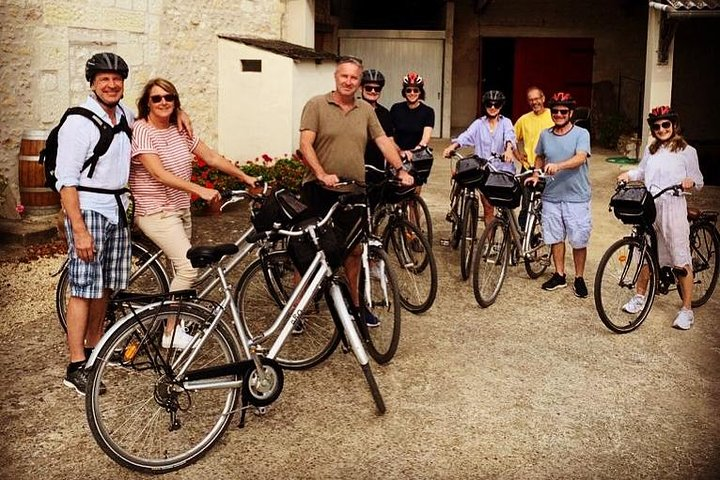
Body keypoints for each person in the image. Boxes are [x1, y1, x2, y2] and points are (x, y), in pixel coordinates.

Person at [129, 77, 256, 348]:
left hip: (179, 209)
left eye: (169, 97)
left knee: (178, 268)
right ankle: (170, 332)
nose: (163, 102)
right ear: (147, 103)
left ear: (176, 102)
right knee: (188, 268)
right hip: (156, 212)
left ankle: (174, 316)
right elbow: (158, 173)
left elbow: (210, 157)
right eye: (157, 98)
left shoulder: (180, 129)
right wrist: (200, 189)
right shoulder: (141, 129)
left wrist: (244, 176)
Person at [299, 55, 413, 326]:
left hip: (353, 190)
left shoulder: (365, 110)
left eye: (354, 77)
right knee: (307, 252)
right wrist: (321, 174)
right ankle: (298, 310)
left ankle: (356, 307)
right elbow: (305, 144)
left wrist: (400, 169)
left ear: (359, 82)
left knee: (354, 251)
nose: (349, 81)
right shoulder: (316, 104)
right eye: (344, 76)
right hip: (319, 189)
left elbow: (383, 140)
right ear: (336, 78)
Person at [54, 53, 133, 395]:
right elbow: (66, 180)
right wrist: (80, 229)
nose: (112, 84)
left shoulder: (126, 115)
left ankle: (95, 346)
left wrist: (183, 114)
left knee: (105, 286)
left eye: (117, 78)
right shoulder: (78, 122)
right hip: (89, 209)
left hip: (118, 207)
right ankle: (75, 365)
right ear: (92, 83)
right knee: (83, 288)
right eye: (104, 79)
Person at [617, 106, 704, 329]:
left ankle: (686, 310)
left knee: (679, 257)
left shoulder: (687, 151)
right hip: (650, 205)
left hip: (673, 206)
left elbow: (698, 180)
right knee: (645, 252)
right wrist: (628, 174)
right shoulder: (651, 149)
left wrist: (689, 182)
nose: (661, 129)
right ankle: (640, 296)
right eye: (657, 126)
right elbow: (641, 172)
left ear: (674, 125)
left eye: (666, 125)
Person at [528, 92, 592, 298]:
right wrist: (536, 174)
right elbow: (540, 156)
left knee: (579, 239)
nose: (558, 114)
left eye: (563, 111)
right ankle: (559, 274)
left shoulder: (581, 134)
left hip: (577, 197)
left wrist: (559, 166)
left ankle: (579, 278)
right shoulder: (545, 134)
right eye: (555, 111)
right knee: (555, 237)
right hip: (551, 196)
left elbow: (581, 158)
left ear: (570, 113)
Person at [443, 90, 518, 227]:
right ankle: (488, 244)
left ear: (501, 106)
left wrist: (508, 150)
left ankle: (510, 236)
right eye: (489, 104)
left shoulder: (506, 122)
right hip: (484, 170)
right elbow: (466, 136)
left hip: (502, 170)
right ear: (485, 106)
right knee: (488, 208)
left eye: (497, 104)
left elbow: (510, 137)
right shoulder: (479, 124)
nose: (493, 107)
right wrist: (452, 146)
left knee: (507, 207)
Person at [514, 86, 553, 227]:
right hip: (529, 168)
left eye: (537, 99)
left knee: (547, 207)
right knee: (526, 206)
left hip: (548, 169)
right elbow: (511, 138)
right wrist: (517, 154)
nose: (534, 102)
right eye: (531, 100)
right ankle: (524, 240)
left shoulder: (553, 116)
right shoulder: (524, 120)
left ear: (543, 99)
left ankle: (544, 237)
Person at [390, 71, 435, 156]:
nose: (412, 93)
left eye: (415, 90)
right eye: (409, 90)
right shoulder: (396, 108)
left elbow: (425, 138)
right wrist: (400, 152)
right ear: (404, 92)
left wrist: (413, 152)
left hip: (418, 153)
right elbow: (389, 135)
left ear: (420, 92)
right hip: (398, 153)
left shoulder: (428, 111)